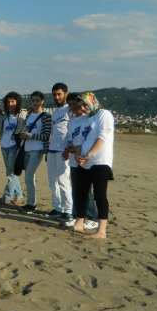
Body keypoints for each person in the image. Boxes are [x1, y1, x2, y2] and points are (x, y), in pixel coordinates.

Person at [72, 92, 115, 239]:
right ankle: (79, 224)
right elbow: (78, 140)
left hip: (100, 161)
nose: (83, 108)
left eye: (84, 104)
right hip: (84, 162)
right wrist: (78, 155)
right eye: (79, 106)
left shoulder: (104, 114)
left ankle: (101, 231)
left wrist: (88, 155)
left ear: (92, 101)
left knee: (99, 195)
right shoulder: (84, 119)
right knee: (82, 193)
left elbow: (102, 137)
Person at [63, 93, 98, 229]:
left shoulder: (87, 119)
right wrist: (69, 148)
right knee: (76, 189)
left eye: (75, 105)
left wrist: (80, 152)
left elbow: (86, 139)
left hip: (85, 159)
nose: (73, 108)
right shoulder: (71, 121)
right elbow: (71, 138)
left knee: (86, 190)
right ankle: (77, 215)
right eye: (70, 105)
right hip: (74, 159)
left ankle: (93, 216)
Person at [18, 91, 52, 214]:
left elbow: (46, 135)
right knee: (29, 177)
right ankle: (31, 203)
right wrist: (24, 136)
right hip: (26, 149)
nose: (35, 102)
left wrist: (29, 135)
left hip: (37, 150)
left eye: (38, 100)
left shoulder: (46, 116)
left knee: (28, 177)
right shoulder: (29, 115)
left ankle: (31, 204)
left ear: (42, 101)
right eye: (33, 100)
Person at [46, 83, 73, 221]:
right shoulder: (55, 112)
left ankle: (68, 210)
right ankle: (57, 207)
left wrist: (69, 148)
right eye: (54, 95)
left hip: (63, 150)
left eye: (59, 94)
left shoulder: (70, 109)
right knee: (52, 181)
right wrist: (48, 151)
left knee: (63, 181)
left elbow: (73, 131)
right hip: (52, 149)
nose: (56, 97)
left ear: (65, 94)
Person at [0, 92, 27, 204]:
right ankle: (18, 195)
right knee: (11, 172)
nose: (10, 104)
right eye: (8, 102)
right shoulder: (5, 115)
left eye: (13, 101)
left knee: (11, 173)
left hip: (14, 146)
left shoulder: (23, 114)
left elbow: (28, 124)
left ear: (17, 102)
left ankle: (7, 196)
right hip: (4, 145)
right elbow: (1, 127)